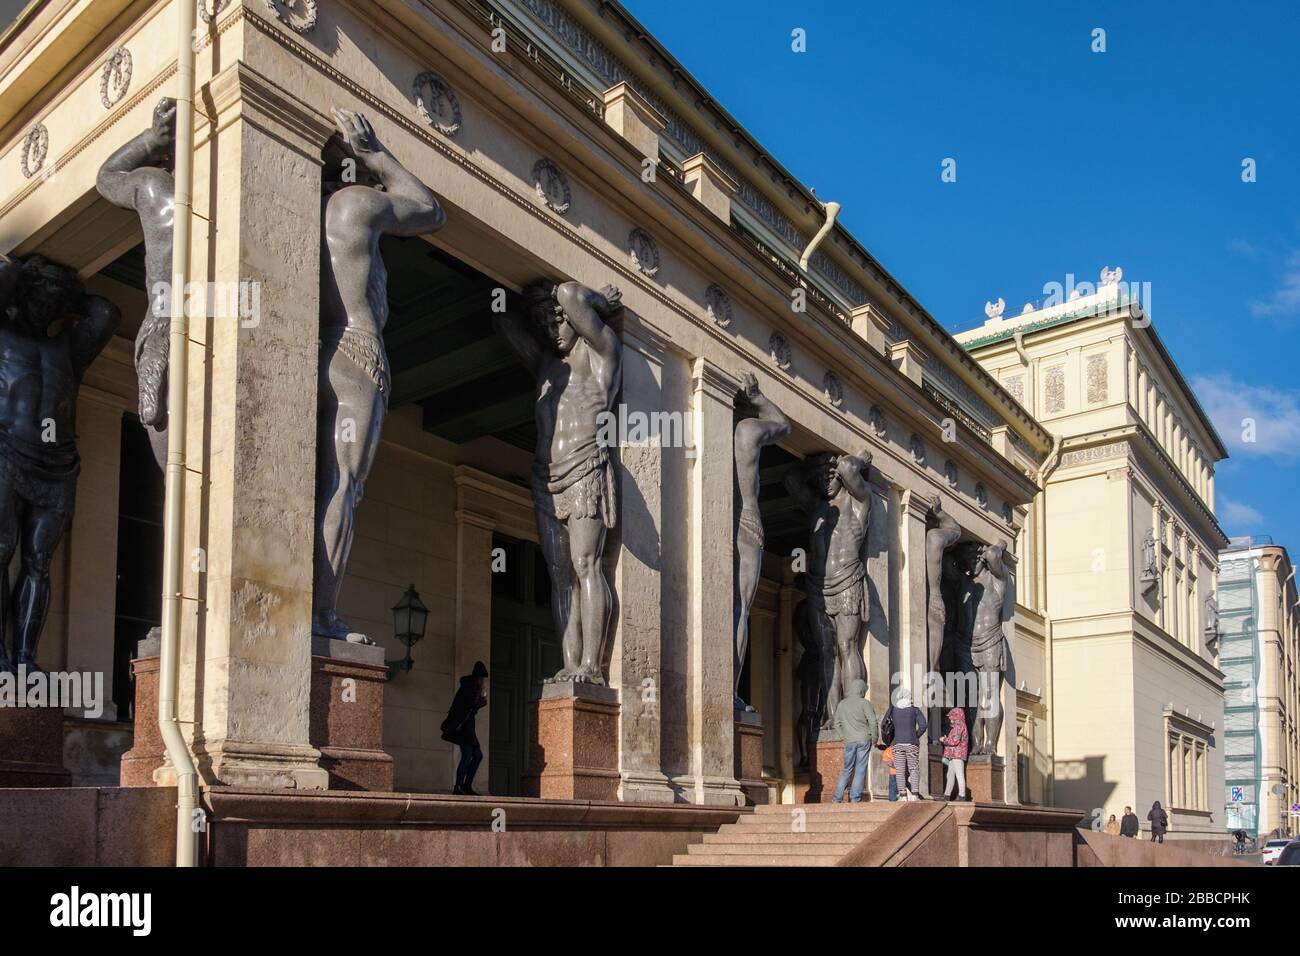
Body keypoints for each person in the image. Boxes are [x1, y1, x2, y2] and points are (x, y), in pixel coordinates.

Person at [315, 108, 445, 644]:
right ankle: (322, 618)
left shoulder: (308, 203)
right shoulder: (355, 205)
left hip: (313, 344)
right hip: (356, 351)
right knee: (343, 485)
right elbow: (428, 209)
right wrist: (377, 154)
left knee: (319, 483)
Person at [441, 661, 488, 795]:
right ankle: (458, 787)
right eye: (482, 678)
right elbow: (470, 705)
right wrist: (482, 701)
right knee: (467, 756)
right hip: (464, 727)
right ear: (478, 678)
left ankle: (466, 785)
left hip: (469, 728)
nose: (483, 681)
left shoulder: (472, 687)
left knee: (477, 755)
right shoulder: (468, 687)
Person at [831, 678, 877, 803]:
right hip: (864, 739)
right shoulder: (865, 703)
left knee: (847, 769)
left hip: (849, 741)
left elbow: (836, 724)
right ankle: (855, 798)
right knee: (860, 769)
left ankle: (837, 798)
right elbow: (873, 721)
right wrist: (875, 737)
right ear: (861, 690)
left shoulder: (842, 704)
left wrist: (844, 736)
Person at [885, 687, 927, 800]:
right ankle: (914, 795)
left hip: (897, 743)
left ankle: (902, 795)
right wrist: (915, 735)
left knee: (899, 769)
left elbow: (884, 724)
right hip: (912, 743)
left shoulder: (893, 709)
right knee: (913, 768)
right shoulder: (915, 710)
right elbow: (923, 725)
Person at [940, 706, 969, 801]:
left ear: (956, 716)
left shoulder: (959, 726)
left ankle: (962, 795)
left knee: (959, 774)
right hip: (954, 755)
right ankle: (946, 795)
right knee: (950, 775)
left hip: (957, 754)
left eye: (951, 716)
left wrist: (944, 740)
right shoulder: (957, 726)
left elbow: (954, 741)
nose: (950, 718)